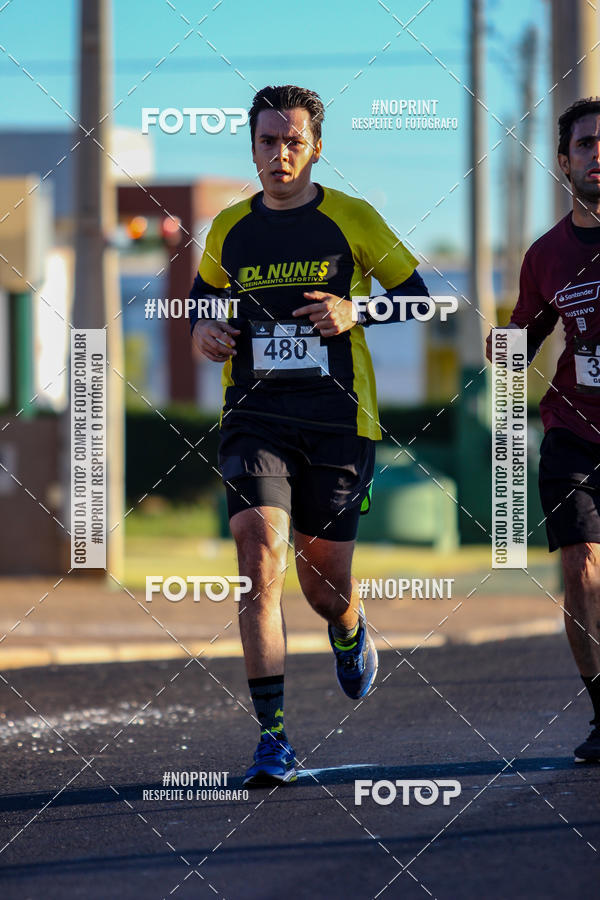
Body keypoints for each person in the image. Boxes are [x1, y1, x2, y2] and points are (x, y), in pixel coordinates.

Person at [190, 84, 430, 786]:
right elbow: (203, 298)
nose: (280, 153)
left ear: (315, 147)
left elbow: (420, 295)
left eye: (293, 141)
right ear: (253, 147)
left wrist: (357, 311)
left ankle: (349, 625)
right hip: (254, 417)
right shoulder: (230, 227)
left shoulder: (351, 218)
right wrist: (203, 328)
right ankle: (273, 740)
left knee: (322, 587)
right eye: (268, 141)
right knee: (259, 555)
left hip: (337, 422)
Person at [486, 97, 600, 762]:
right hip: (573, 434)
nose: (597, 155)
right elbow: (522, 337)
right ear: (564, 162)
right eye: (585, 144)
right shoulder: (547, 254)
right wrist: (502, 351)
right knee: (582, 571)